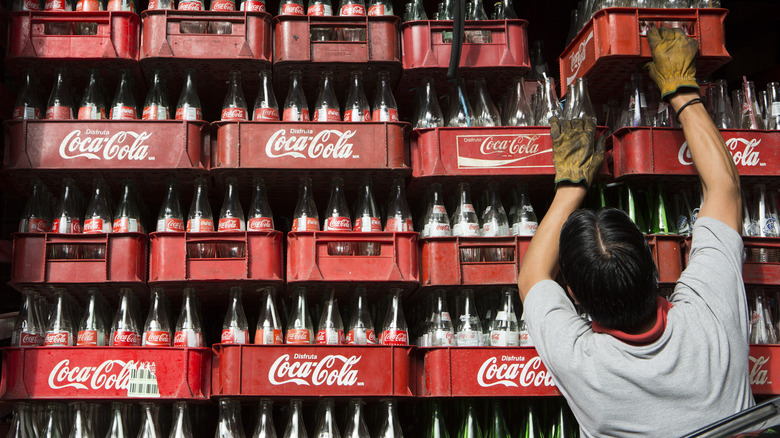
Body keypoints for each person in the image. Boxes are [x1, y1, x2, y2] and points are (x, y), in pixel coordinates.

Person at [517, 26, 754, 437]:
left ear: (573, 294)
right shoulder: (708, 321)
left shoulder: (582, 363)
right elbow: (725, 189)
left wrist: (571, 185)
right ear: (653, 265)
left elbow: (533, 277)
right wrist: (681, 89)